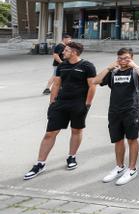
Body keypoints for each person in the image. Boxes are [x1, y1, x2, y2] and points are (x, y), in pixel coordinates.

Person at [24, 42, 97, 180]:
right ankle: (40, 163)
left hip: (78, 104)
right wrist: (52, 103)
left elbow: (92, 86)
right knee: (50, 133)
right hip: (60, 103)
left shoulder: (87, 66)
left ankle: (71, 157)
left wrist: (87, 104)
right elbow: (56, 84)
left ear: (74, 52)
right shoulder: (62, 66)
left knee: (76, 130)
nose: (63, 52)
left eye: (66, 50)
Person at [95, 48, 139, 185]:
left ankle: (132, 169)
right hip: (114, 111)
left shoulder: (134, 71)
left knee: (132, 139)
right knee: (118, 140)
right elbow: (96, 81)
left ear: (131, 59)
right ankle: (120, 167)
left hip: (131, 111)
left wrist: (135, 66)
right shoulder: (113, 72)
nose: (122, 61)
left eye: (126, 58)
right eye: (120, 58)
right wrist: (109, 67)